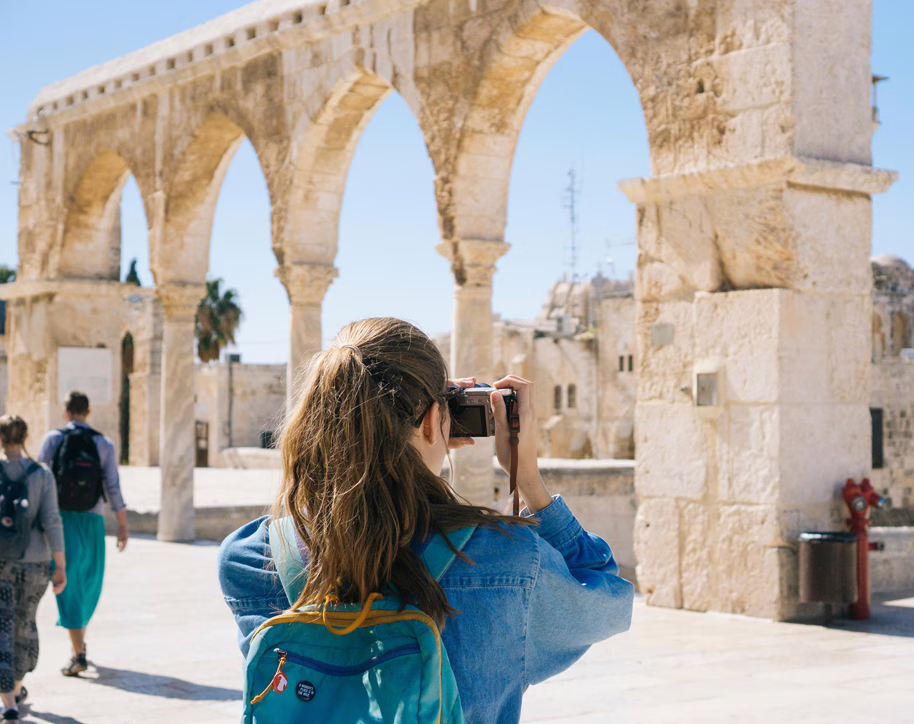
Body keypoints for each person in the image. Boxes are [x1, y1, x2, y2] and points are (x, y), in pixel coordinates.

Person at [219, 318, 633, 722]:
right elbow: (609, 600)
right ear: (436, 419)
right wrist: (528, 481)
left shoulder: (250, 559)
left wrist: (426, 425)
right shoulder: (507, 562)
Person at [37, 392, 129, 677]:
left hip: (61, 519)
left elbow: (40, 479)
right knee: (89, 582)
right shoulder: (103, 443)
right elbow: (113, 485)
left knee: (69, 582)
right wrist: (123, 524)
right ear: (88, 413)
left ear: (65, 412)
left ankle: (78, 649)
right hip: (93, 519)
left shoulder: (53, 439)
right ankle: (79, 650)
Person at [0, 415, 67, 721]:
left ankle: (9, 704)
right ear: (26, 437)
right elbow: (52, 520)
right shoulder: (41, 474)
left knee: (2, 628)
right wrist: (60, 565)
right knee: (24, 626)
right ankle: (16, 686)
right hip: (35, 563)